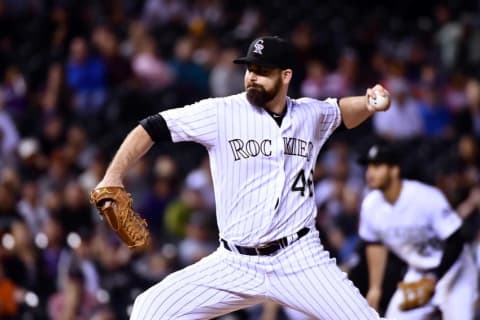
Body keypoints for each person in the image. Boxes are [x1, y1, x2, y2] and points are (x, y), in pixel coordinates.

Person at [94, 35, 391, 319]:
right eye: (250, 69)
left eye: (262, 71)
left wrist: (368, 102)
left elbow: (340, 111)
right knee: (149, 309)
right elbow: (152, 127)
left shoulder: (309, 114)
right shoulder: (221, 112)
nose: (252, 77)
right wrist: (113, 175)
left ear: (285, 75)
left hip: (299, 258)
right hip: (235, 261)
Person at [358, 143, 478, 319]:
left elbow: (456, 240)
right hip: (418, 272)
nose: (370, 172)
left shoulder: (425, 197)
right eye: (368, 166)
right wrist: (375, 288)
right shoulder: (370, 205)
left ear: (394, 170)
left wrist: (436, 278)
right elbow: (374, 243)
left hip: (454, 271)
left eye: (377, 166)